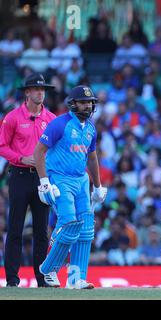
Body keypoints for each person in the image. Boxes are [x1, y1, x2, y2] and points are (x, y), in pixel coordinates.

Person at [33, 85, 107, 289]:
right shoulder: (60, 124)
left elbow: (92, 158)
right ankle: (49, 269)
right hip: (59, 178)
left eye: (90, 102)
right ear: (73, 104)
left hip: (81, 180)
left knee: (86, 229)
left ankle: (76, 278)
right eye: (83, 102)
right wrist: (44, 181)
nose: (88, 105)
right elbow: (38, 152)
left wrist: (98, 187)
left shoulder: (91, 128)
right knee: (69, 225)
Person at [0, 73, 56, 287]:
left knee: (42, 231)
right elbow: (2, 145)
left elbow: (57, 149)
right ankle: (12, 280)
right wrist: (21, 157)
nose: (41, 93)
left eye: (43, 89)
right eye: (36, 89)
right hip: (20, 176)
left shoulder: (50, 119)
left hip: (42, 178)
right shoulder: (13, 117)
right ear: (27, 92)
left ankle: (42, 279)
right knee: (15, 229)